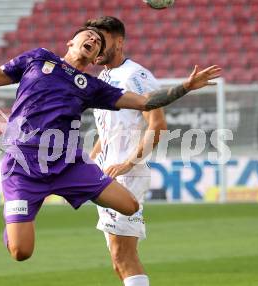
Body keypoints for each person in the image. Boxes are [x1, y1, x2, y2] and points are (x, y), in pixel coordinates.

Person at [0, 26, 220, 261]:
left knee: (129, 206)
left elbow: (144, 102)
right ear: (70, 42)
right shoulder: (38, 58)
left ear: (96, 57)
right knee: (21, 252)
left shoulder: (92, 87)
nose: (93, 39)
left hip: (68, 163)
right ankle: (16, 220)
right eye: (88, 35)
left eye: (97, 41)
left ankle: (78, 189)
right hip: (22, 165)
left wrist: (185, 86)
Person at [87, 16, 165, 286]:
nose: (94, 46)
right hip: (107, 175)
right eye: (92, 40)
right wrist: (91, 160)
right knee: (117, 257)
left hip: (128, 177)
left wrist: (129, 164)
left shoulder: (137, 76)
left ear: (119, 42)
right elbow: (107, 132)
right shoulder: (104, 76)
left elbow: (157, 125)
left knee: (124, 254)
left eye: (101, 40)